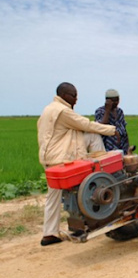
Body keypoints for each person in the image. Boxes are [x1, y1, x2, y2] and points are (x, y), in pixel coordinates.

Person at [37, 82, 117, 246]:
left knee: (54, 196)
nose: (76, 98)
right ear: (64, 95)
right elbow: (85, 124)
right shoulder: (63, 111)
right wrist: (111, 130)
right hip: (62, 159)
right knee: (81, 191)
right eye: (73, 95)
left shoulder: (48, 109)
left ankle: (49, 233)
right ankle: (103, 172)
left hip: (49, 158)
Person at [94, 88, 129, 153]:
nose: (116, 103)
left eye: (117, 100)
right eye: (114, 101)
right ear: (107, 101)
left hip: (122, 146)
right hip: (108, 147)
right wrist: (107, 110)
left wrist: (128, 147)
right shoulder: (100, 111)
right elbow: (101, 126)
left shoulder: (119, 111)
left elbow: (124, 130)